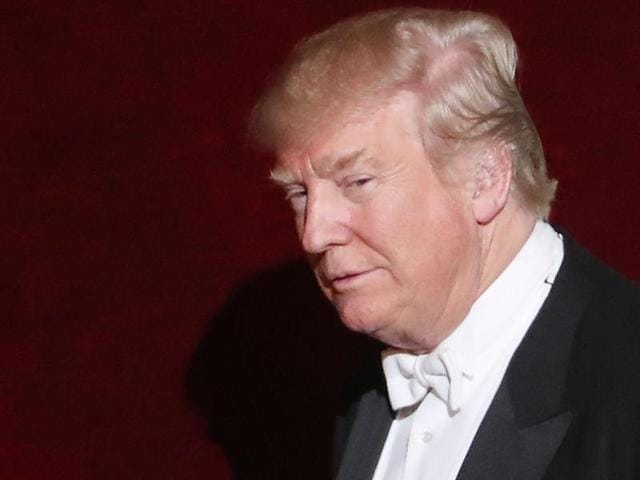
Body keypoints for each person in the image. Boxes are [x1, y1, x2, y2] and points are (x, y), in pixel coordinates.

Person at [248, 8, 640, 480]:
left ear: (485, 178)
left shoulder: (625, 377)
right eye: (299, 193)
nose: (314, 233)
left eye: (357, 181)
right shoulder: (361, 385)